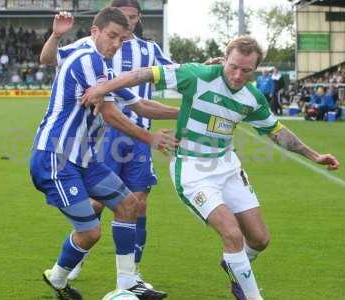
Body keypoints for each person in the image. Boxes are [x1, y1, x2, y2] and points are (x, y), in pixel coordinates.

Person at [80, 35, 340, 300]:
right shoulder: (197, 74)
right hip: (193, 170)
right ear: (225, 59)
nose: (238, 75)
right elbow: (144, 74)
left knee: (260, 240)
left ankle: (233, 265)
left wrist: (314, 155)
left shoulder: (253, 97)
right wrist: (104, 88)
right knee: (232, 234)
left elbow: (277, 132)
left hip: (228, 167)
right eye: (233, 67)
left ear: (256, 69)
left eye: (246, 70)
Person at [30, 7, 178, 300]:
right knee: (91, 232)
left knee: (129, 205)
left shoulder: (107, 70)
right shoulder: (87, 60)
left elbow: (139, 106)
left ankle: (125, 285)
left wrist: (187, 113)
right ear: (94, 32)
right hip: (56, 158)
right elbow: (110, 113)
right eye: (111, 36)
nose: (116, 44)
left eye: (122, 40)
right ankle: (60, 278)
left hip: (84, 161)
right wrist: (150, 137)